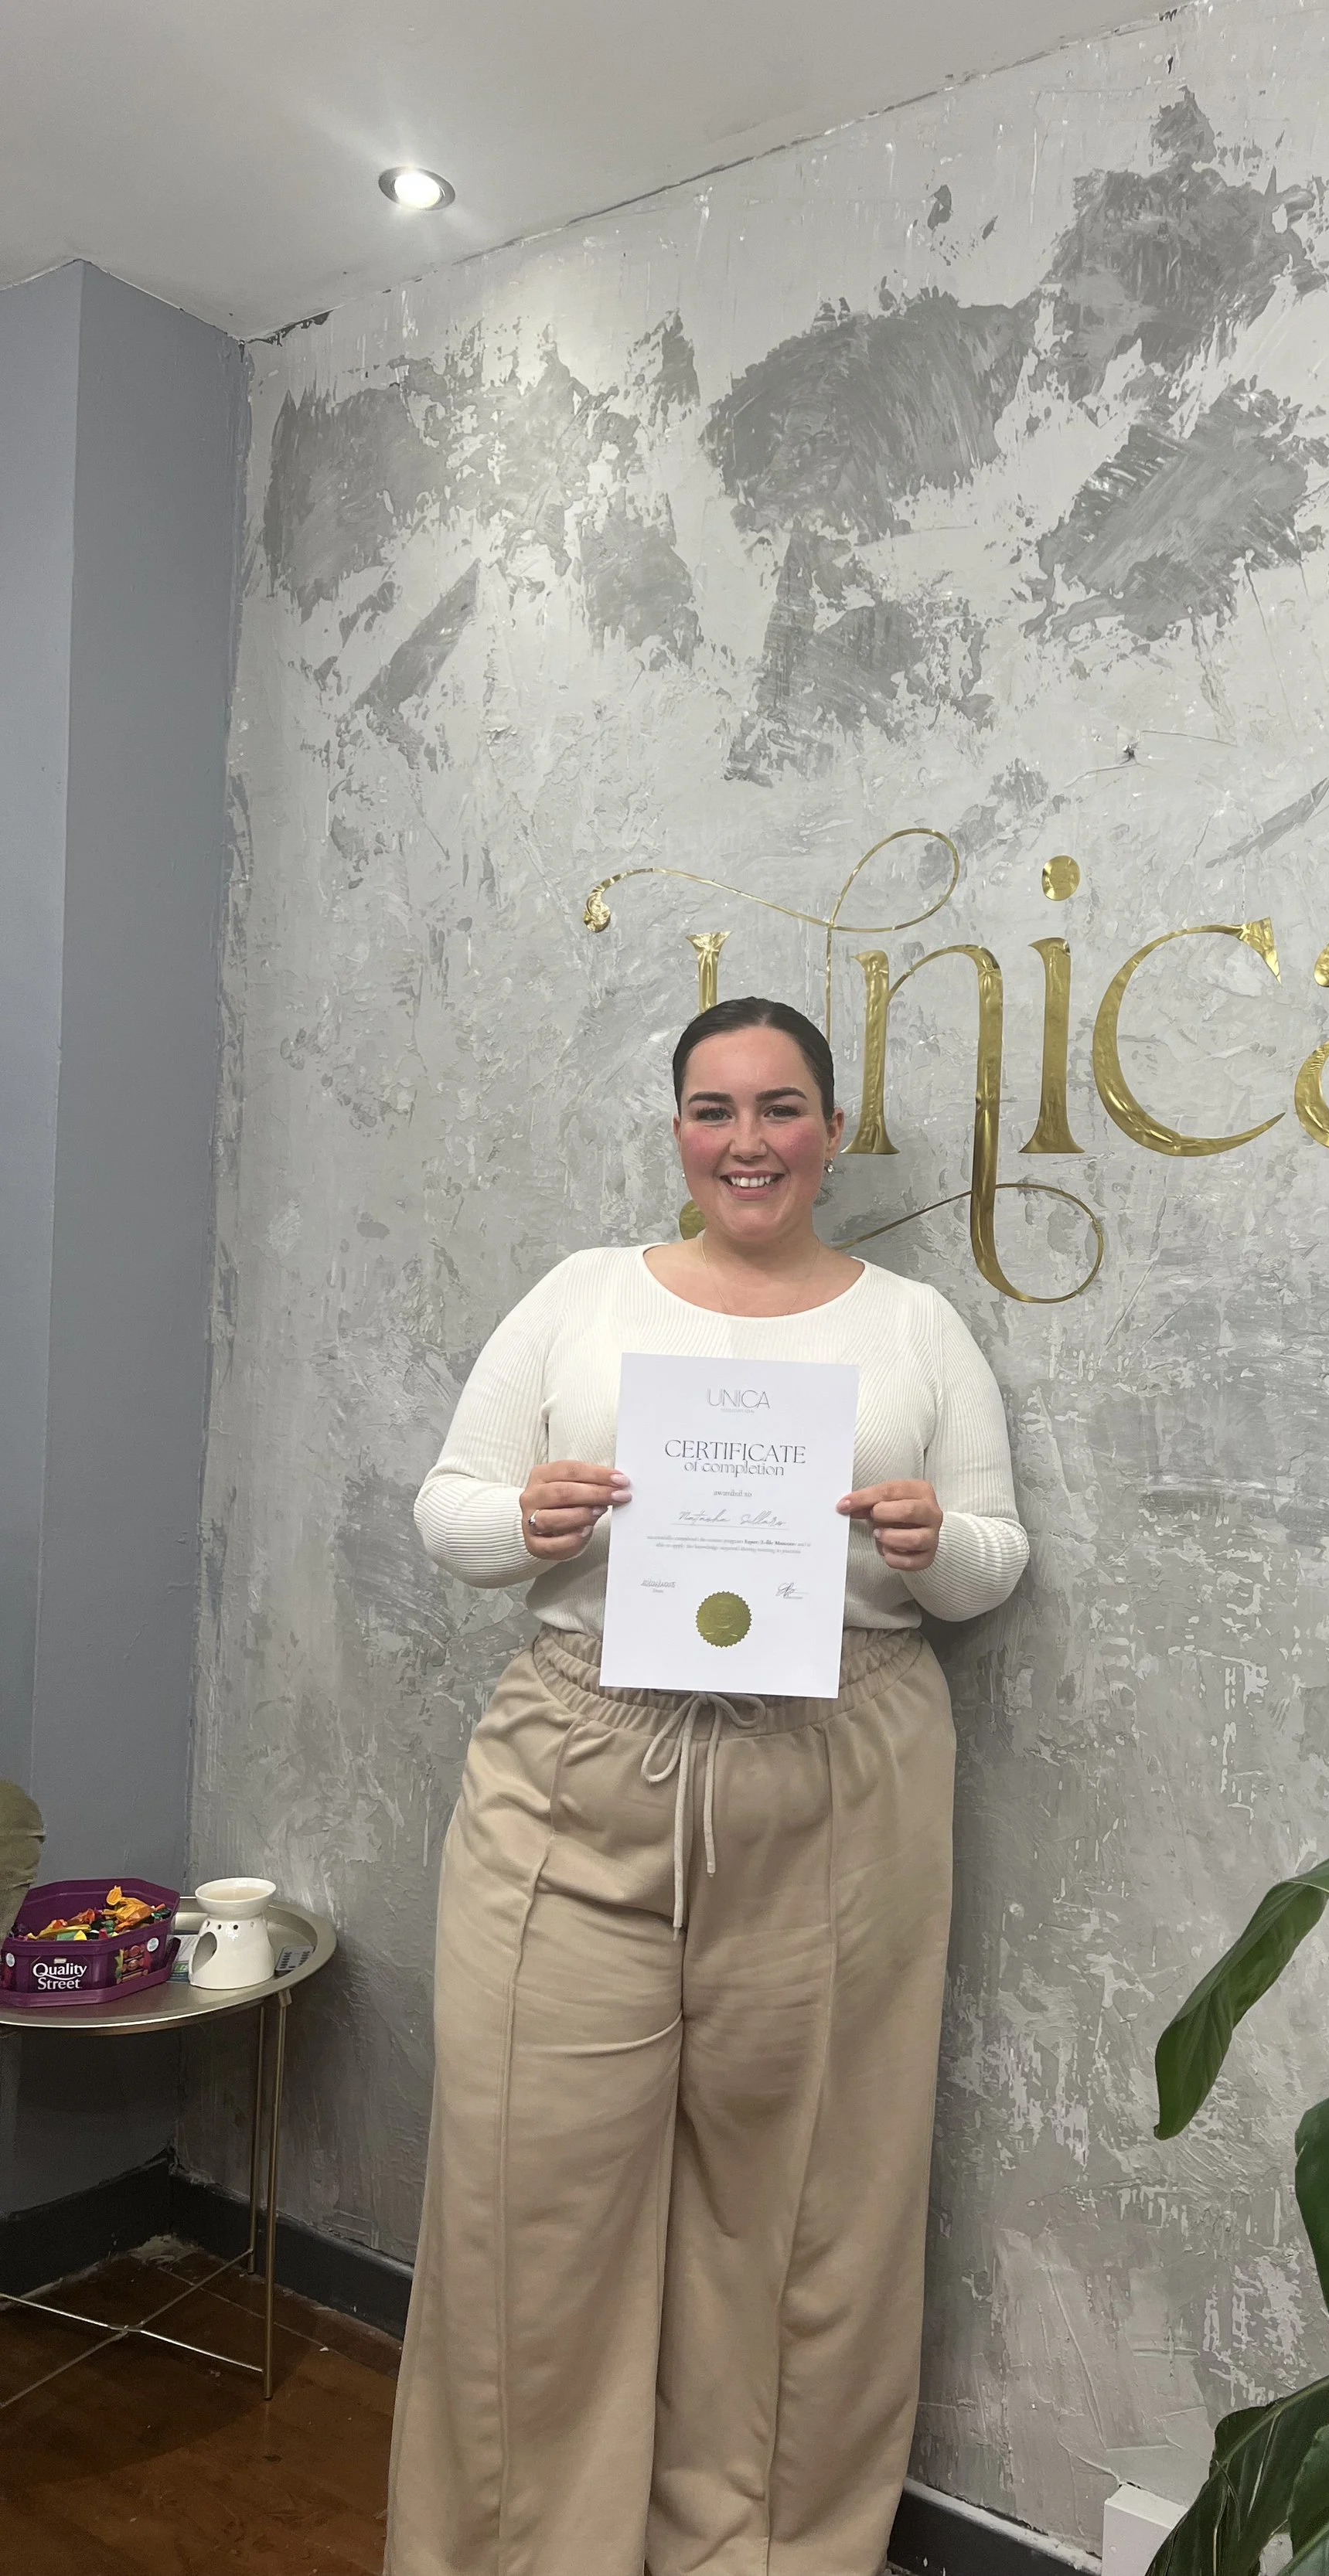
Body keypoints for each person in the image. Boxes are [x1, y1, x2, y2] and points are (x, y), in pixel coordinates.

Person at [385, 995, 1028, 2576]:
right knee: (528, 2193)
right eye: (715, 1108)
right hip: (581, 1759)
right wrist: (522, 1521)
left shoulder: (913, 1325)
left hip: (839, 1776)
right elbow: (446, 1508)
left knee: (808, 2206)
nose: (748, 1141)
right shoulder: (580, 1297)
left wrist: (925, 1540)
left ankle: (764, 2552)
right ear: (675, 1128)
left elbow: (993, 1562)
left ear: (828, 1131)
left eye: (783, 1107)